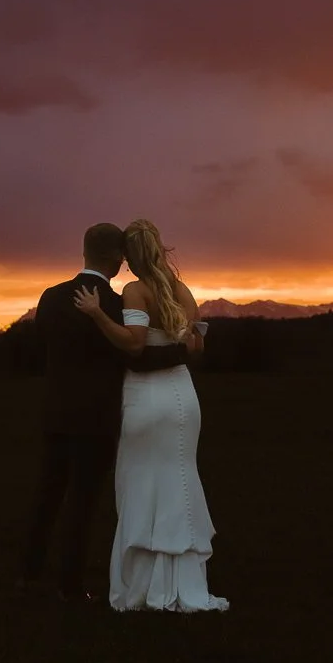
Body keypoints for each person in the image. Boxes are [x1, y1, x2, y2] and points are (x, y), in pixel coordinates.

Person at [20, 223, 189, 603]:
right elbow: (138, 357)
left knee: (46, 495)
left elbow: (39, 347)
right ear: (118, 259)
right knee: (82, 502)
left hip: (55, 413)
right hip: (95, 419)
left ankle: (27, 575)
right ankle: (69, 586)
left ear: (83, 252)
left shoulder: (50, 297)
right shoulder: (115, 305)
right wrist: (184, 352)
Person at [73, 219, 228, 612]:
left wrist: (97, 314)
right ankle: (183, 583)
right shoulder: (182, 291)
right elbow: (195, 347)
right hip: (183, 396)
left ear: (129, 257)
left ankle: (143, 587)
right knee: (180, 477)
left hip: (146, 399)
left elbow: (134, 344)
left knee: (141, 482)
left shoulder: (134, 291)